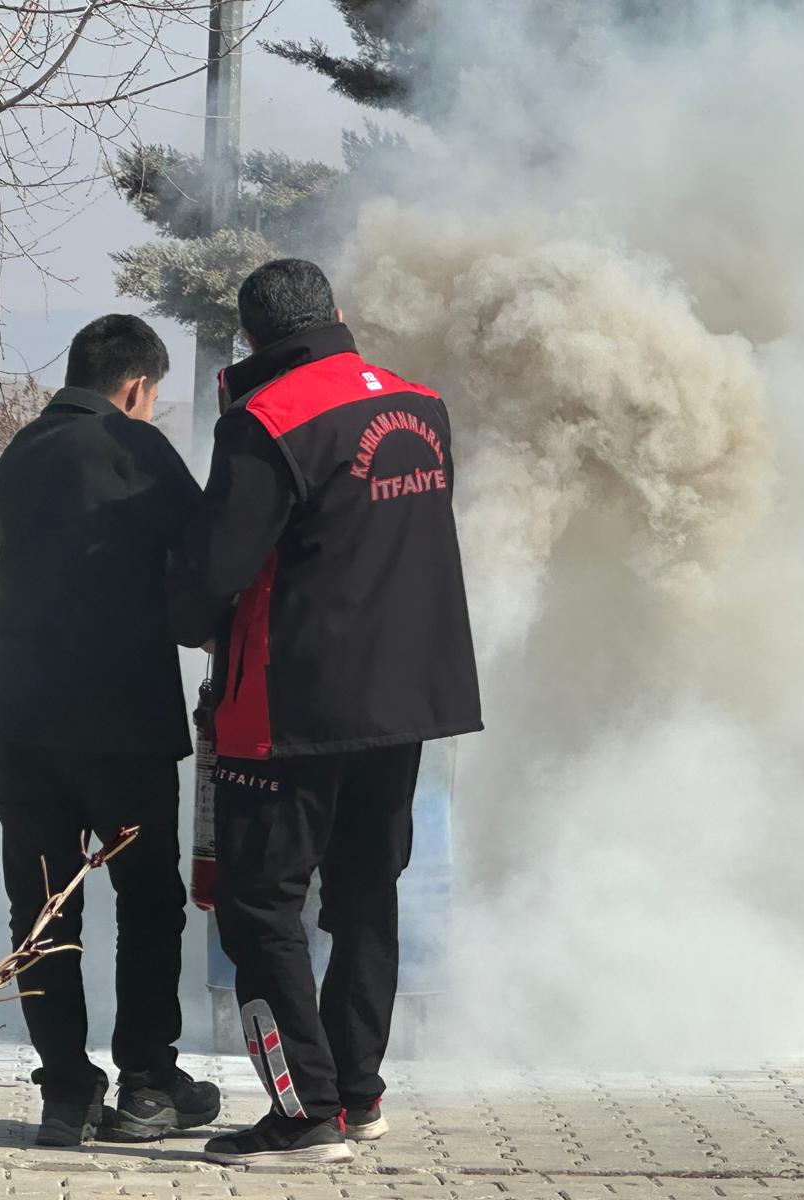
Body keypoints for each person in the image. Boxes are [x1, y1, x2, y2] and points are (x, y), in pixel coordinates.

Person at [169, 259, 483, 1166]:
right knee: (364, 895)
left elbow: (216, 575)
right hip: (405, 702)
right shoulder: (423, 407)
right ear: (337, 314)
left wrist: (183, 617)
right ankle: (356, 1092)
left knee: (259, 905)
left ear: (254, 340)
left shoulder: (265, 421)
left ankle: (304, 1113)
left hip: (290, 705)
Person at [0, 314, 219, 1148]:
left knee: (41, 910)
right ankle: (147, 1080)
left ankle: (66, 1094)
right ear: (138, 387)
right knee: (148, 899)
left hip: (17, 717)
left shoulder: (20, 452)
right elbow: (206, 552)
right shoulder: (130, 444)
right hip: (119, 721)